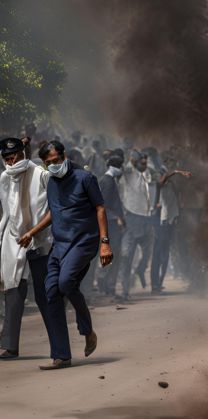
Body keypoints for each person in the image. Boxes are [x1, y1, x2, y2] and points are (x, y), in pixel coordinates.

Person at [20, 140, 113, 369]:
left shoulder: (85, 178)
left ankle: (87, 330)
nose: (53, 165)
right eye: (48, 163)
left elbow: (100, 208)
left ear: (64, 156)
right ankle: (61, 355)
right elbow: (54, 212)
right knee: (50, 292)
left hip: (84, 241)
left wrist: (104, 243)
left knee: (65, 282)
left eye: (56, 160)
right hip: (60, 245)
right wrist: (31, 232)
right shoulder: (52, 182)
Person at [0, 138, 54, 359]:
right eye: (6, 158)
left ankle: (58, 346)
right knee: (13, 288)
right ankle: (10, 345)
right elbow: (6, 211)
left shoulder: (42, 175)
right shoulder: (4, 178)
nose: (11, 161)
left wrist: (33, 233)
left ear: (23, 153)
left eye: (14, 157)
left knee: (45, 294)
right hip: (13, 240)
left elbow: (52, 208)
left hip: (40, 240)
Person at [117, 150, 157, 299]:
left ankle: (140, 270)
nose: (144, 165)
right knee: (126, 256)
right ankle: (125, 291)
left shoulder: (147, 173)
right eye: (141, 162)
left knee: (147, 254)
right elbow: (124, 168)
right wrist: (132, 161)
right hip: (131, 219)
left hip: (146, 219)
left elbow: (154, 172)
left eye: (145, 162)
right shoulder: (128, 172)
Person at [150, 154, 191, 293]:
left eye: (174, 162)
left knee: (166, 252)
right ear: (165, 162)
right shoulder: (157, 174)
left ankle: (159, 283)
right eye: (171, 162)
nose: (173, 164)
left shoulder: (173, 179)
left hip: (171, 219)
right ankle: (155, 284)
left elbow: (175, 198)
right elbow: (160, 183)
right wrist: (175, 172)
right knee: (158, 253)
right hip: (160, 220)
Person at [96, 153, 125, 296]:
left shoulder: (109, 179)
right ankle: (106, 283)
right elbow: (104, 204)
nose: (121, 169)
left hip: (111, 222)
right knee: (114, 253)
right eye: (119, 166)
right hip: (111, 223)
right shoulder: (108, 181)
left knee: (113, 254)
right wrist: (117, 217)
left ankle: (106, 284)